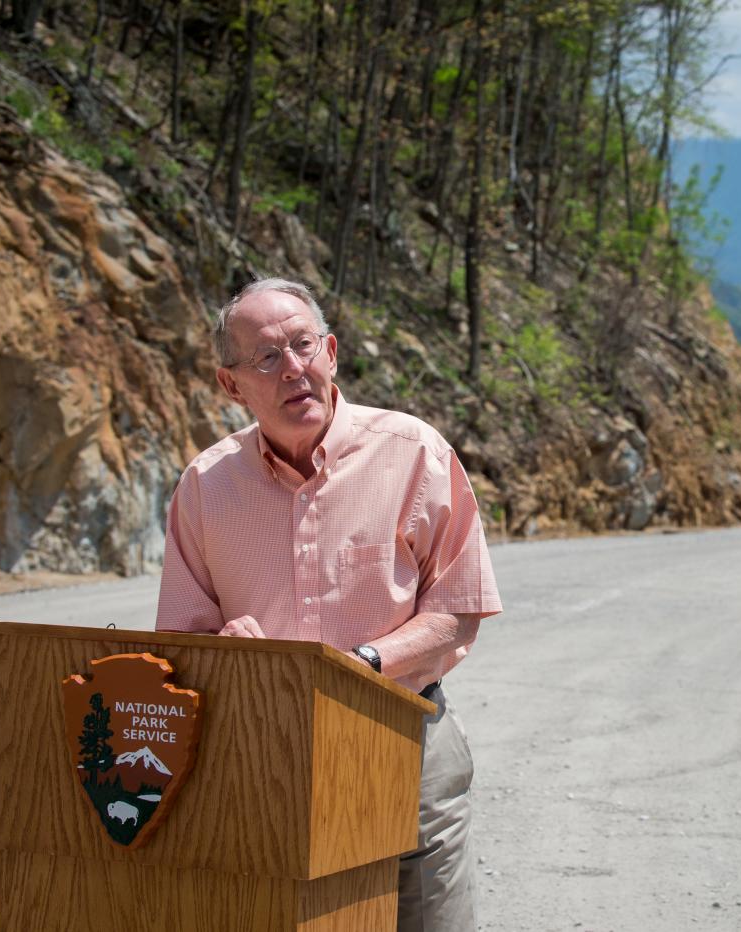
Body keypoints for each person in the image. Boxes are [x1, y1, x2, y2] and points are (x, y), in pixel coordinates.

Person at [155, 277, 502, 931]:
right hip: (262, 765)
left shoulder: (415, 453)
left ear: (332, 352)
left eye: (303, 345)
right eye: (265, 357)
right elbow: (180, 646)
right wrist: (225, 657)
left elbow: (458, 611)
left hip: (404, 746)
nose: (293, 368)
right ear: (231, 385)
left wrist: (362, 665)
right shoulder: (205, 487)